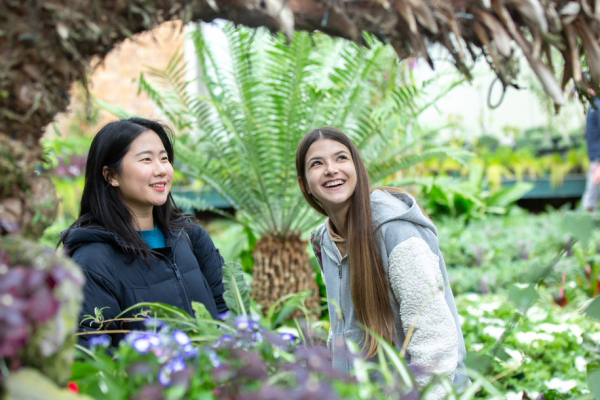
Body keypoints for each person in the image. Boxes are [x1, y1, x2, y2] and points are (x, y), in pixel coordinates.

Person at [295, 127, 468, 397]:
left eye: (341, 158)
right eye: (317, 163)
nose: (331, 169)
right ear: (305, 182)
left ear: (357, 168)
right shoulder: (324, 241)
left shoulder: (396, 231)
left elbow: (434, 339)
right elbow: (342, 327)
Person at [59, 118, 227, 347]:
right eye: (146, 159)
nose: (161, 170)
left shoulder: (191, 238)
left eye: (164, 158)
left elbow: (227, 316)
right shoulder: (93, 261)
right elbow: (94, 356)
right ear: (111, 176)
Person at [582, 94, 600, 211]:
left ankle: (587, 217)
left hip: (598, 156)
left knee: (593, 186)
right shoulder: (593, 104)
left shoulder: (597, 104)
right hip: (595, 155)